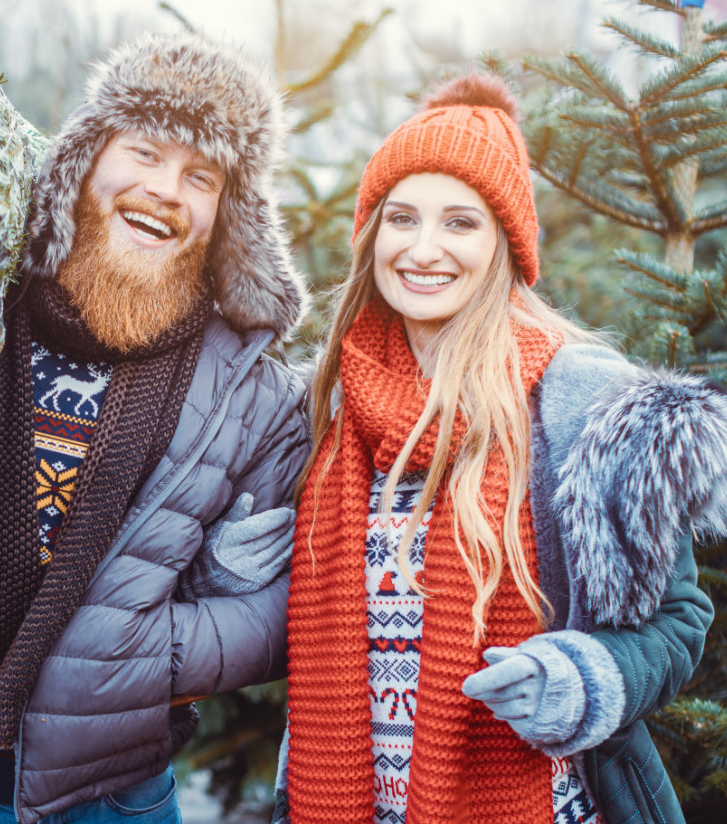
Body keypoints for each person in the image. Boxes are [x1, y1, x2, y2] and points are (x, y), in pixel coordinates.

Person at [0, 31, 312, 823]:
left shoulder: (248, 391)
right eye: (145, 153)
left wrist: (145, 651)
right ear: (86, 159)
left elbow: (272, 604)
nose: (167, 188)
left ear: (227, 213)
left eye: (201, 176)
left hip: (113, 799)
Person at [275, 71, 724, 824]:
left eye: (460, 222)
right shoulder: (326, 404)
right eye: (401, 218)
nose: (422, 249)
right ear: (371, 232)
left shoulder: (580, 401)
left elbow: (678, 620)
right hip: (348, 798)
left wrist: (581, 678)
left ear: (505, 243)